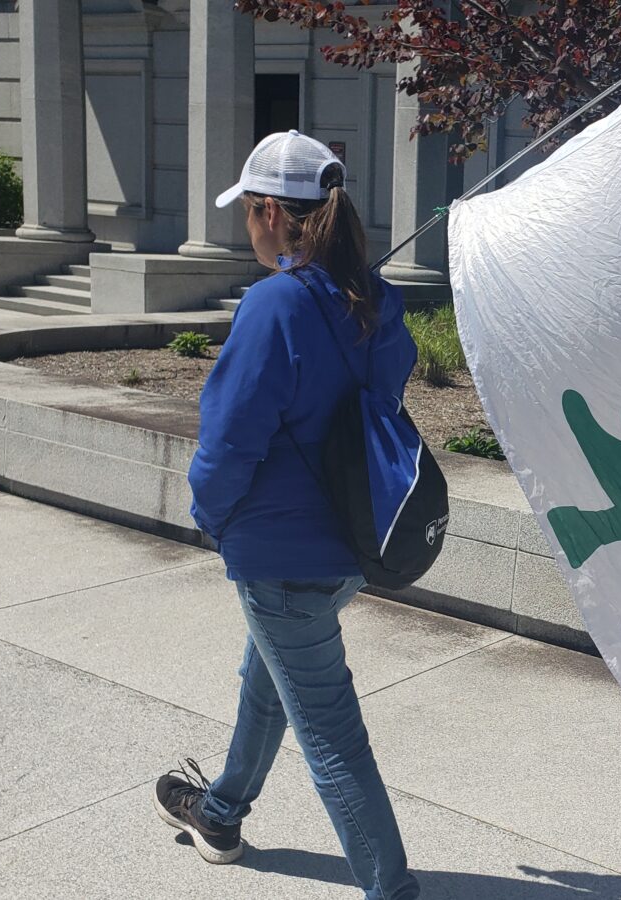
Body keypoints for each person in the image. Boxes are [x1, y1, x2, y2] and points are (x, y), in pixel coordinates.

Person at [154, 129, 422, 900]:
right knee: (266, 675)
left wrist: (211, 516)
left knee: (332, 738)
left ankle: (392, 890)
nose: (246, 226)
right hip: (354, 543)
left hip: (282, 557)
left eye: (247, 212)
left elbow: (229, 441)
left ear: (272, 212)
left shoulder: (275, 304)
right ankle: (222, 813)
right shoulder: (375, 296)